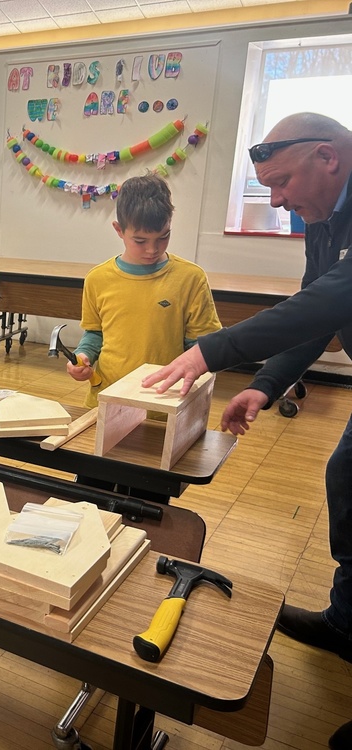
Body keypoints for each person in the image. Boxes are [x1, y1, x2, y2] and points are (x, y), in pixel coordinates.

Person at [141, 112, 352, 750]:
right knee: (345, 476)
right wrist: (265, 383)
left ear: (329, 157)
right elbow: (319, 312)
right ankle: (349, 622)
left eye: (283, 182)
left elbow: (323, 301)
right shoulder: (320, 218)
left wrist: (212, 352)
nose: (278, 200)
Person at [67, 173, 221, 406]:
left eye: (163, 237)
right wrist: (82, 357)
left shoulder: (191, 278)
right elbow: (95, 334)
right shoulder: (97, 279)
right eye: (140, 241)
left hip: (165, 401)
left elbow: (201, 345)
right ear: (119, 230)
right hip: (109, 397)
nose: (152, 249)